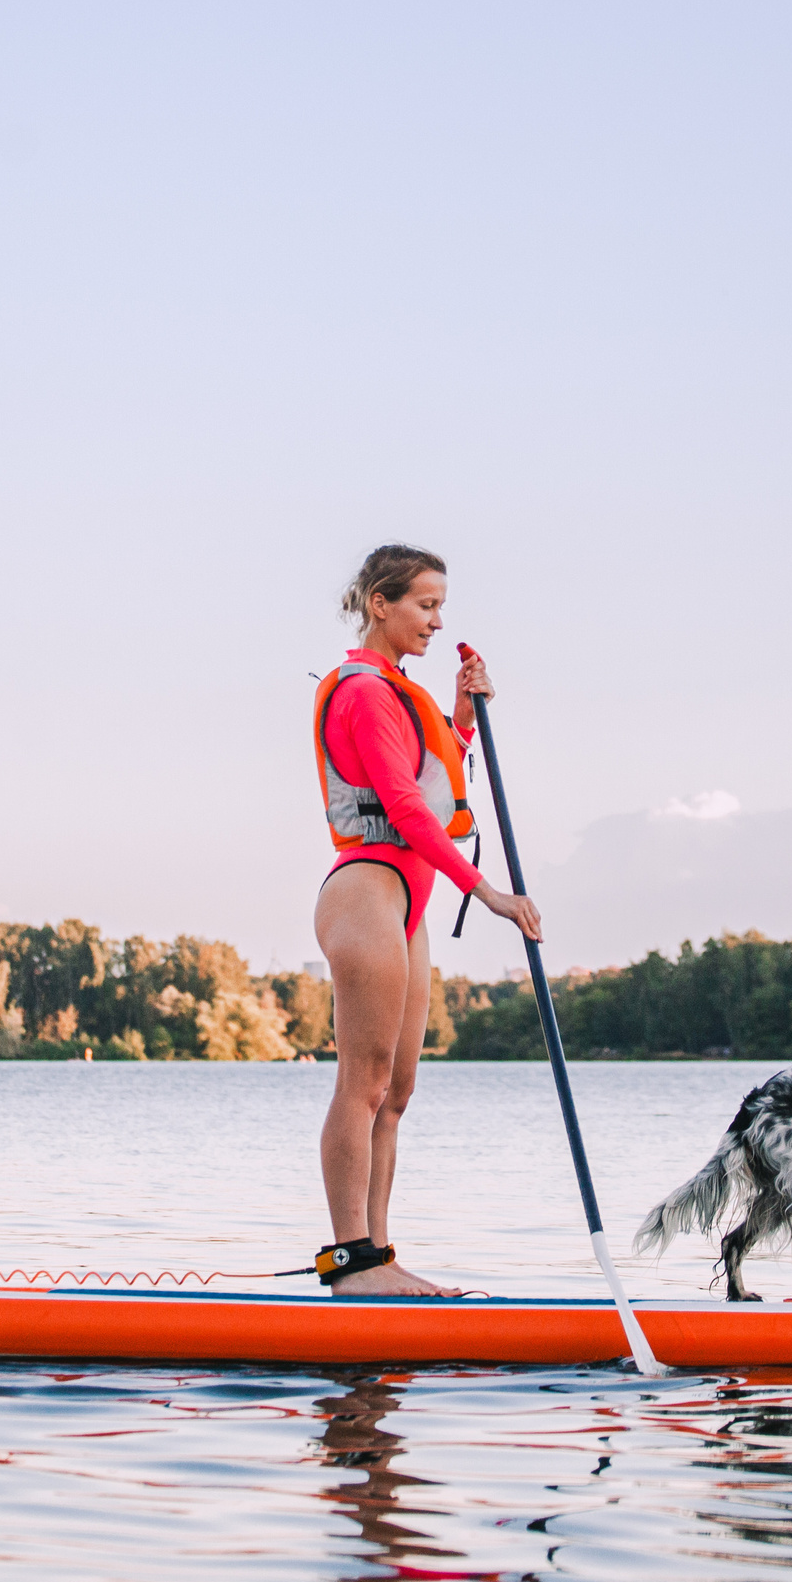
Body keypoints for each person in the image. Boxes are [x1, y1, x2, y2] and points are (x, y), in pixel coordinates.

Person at [311, 544, 542, 1297]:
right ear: (380, 603)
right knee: (364, 1082)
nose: (438, 620)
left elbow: (431, 781)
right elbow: (406, 811)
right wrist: (490, 892)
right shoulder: (364, 691)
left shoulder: (401, 693)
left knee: (398, 1090)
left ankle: (380, 1256)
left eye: (442, 606)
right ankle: (351, 1263)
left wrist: (462, 718)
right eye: (425, 605)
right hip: (369, 889)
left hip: (409, 900)